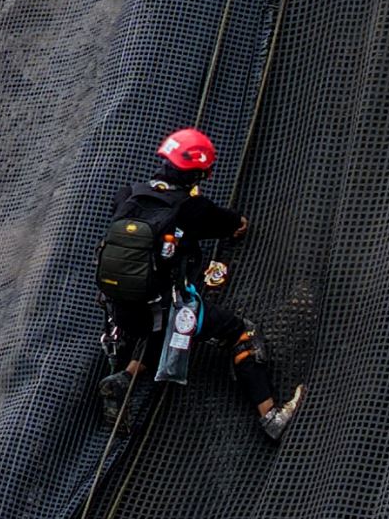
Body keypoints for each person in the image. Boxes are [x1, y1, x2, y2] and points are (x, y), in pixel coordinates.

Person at [93, 127, 305, 440]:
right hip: (163, 310)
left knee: (159, 331)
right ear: (199, 173)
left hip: (121, 313)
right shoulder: (192, 208)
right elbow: (236, 224)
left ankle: (124, 377)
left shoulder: (128, 194)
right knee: (240, 332)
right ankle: (271, 416)